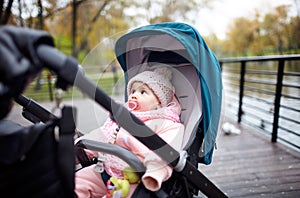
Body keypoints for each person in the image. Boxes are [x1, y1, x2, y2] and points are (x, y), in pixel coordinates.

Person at [75, 66, 185, 197]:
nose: (134, 95)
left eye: (143, 92)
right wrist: (78, 150)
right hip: (106, 168)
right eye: (133, 91)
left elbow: (166, 151)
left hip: (135, 178)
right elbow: (103, 134)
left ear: (159, 103)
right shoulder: (122, 116)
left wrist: (154, 173)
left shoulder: (167, 123)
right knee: (76, 182)